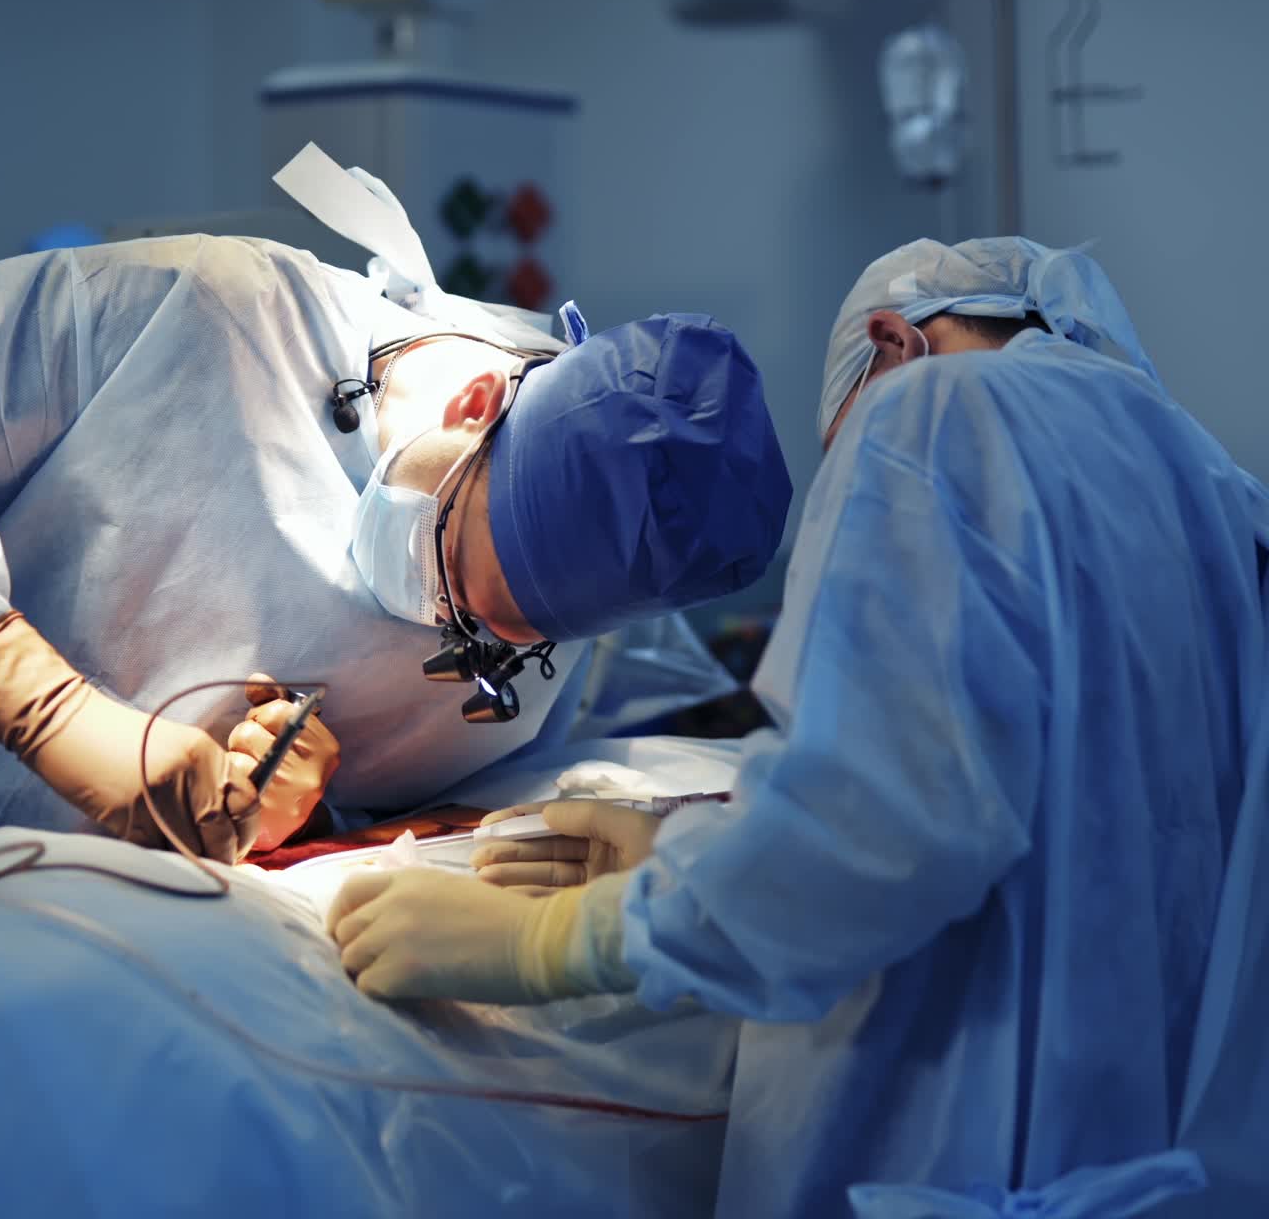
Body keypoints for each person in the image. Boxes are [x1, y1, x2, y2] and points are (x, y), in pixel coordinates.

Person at [327, 237, 1269, 1215]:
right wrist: (698, 848)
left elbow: (873, 824)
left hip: (957, 1159)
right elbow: (1050, 810)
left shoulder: (938, 411)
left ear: (889, 343)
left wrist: (568, 939)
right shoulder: (1209, 484)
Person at [0, 230, 791, 863]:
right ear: (475, 404)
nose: (443, 633)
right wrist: (37, 700)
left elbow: (398, 836)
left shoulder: (561, 636)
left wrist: (297, 817)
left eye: (492, 642)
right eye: (450, 571)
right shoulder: (200, 312)